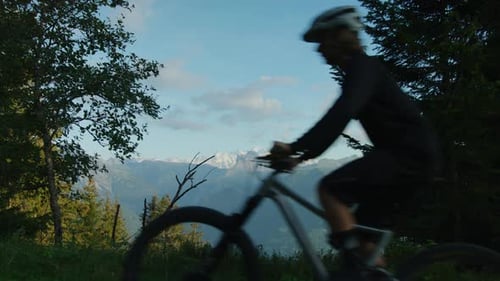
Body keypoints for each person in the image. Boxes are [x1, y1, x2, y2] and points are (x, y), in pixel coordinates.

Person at [267, 5, 441, 279]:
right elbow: (340, 116)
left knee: (329, 189)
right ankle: (372, 273)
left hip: (406, 157)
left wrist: (294, 147)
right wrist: (300, 156)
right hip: (411, 158)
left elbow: (342, 113)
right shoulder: (361, 71)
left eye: (323, 39)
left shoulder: (364, 68)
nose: (319, 49)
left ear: (341, 36)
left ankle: (350, 274)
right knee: (365, 240)